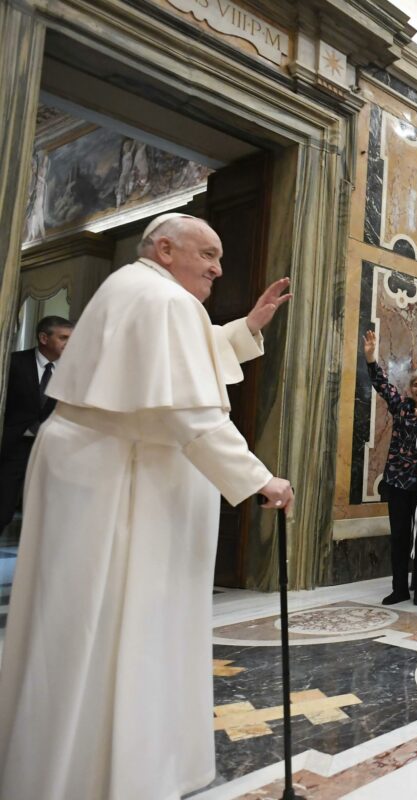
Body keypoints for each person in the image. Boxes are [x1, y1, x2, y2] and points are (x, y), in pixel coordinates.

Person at [0, 213, 293, 799]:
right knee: (113, 618)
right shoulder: (164, 300)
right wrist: (261, 479)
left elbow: (174, 358)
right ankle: (117, 772)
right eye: (207, 254)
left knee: (82, 619)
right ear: (164, 248)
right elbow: (189, 411)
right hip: (113, 483)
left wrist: (245, 327)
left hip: (88, 469)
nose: (216, 268)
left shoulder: (130, 286)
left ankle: (69, 762)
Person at [364, 331, 417, 606]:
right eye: (416, 386)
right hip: (399, 483)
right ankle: (399, 587)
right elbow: (382, 384)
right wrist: (370, 358)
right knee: (399, 536)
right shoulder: (401, 408)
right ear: (410, 390)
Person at [0, 316, 72, 536]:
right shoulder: (13, 362)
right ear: (43, 338)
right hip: (13, 446)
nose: (69, 344)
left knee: (46, 511)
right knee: (3, 508)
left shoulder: (72, 370)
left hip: (51, 450)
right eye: (63, 338)